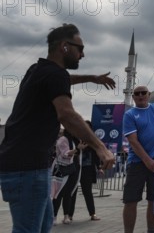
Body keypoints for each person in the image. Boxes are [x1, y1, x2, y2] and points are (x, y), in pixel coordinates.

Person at [0, 23, 116, 233]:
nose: (82, 54)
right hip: (28, 168)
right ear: (64, 46)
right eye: (79, 48)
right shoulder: (53, 75)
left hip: (25, 165)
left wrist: (91, 78)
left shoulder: (38, 70)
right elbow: (67, 114)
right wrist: (100, 147)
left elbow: (63, 79)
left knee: (43, 226)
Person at [122, 85, 154, 233]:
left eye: (143, 93)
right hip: (137, 163)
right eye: (137, 93)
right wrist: (147, 160)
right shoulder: (129, 114)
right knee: (130, 201)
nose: (140, 95)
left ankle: (151, 231)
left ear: (149, 94)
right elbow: (133, 141)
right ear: (133, 97)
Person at [76, 121, 103, 221]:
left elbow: (96, 155)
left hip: (87, 169)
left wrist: (99, 167)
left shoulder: (92, 140)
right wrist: (79, 148)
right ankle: (68, 215)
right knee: (71, 192)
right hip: (75, 168)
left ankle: (92, 214)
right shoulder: (76, 137)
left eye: (87, 127)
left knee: (87, 192)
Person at [52, 129, 80, 225]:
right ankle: (54, 216)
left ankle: (66, 216)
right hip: (61, 169)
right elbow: (65, 154)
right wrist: (77, 149)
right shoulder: (63, 139)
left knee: (68, 193)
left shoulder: (72, 140)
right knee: (58, 194)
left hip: (70, 169)